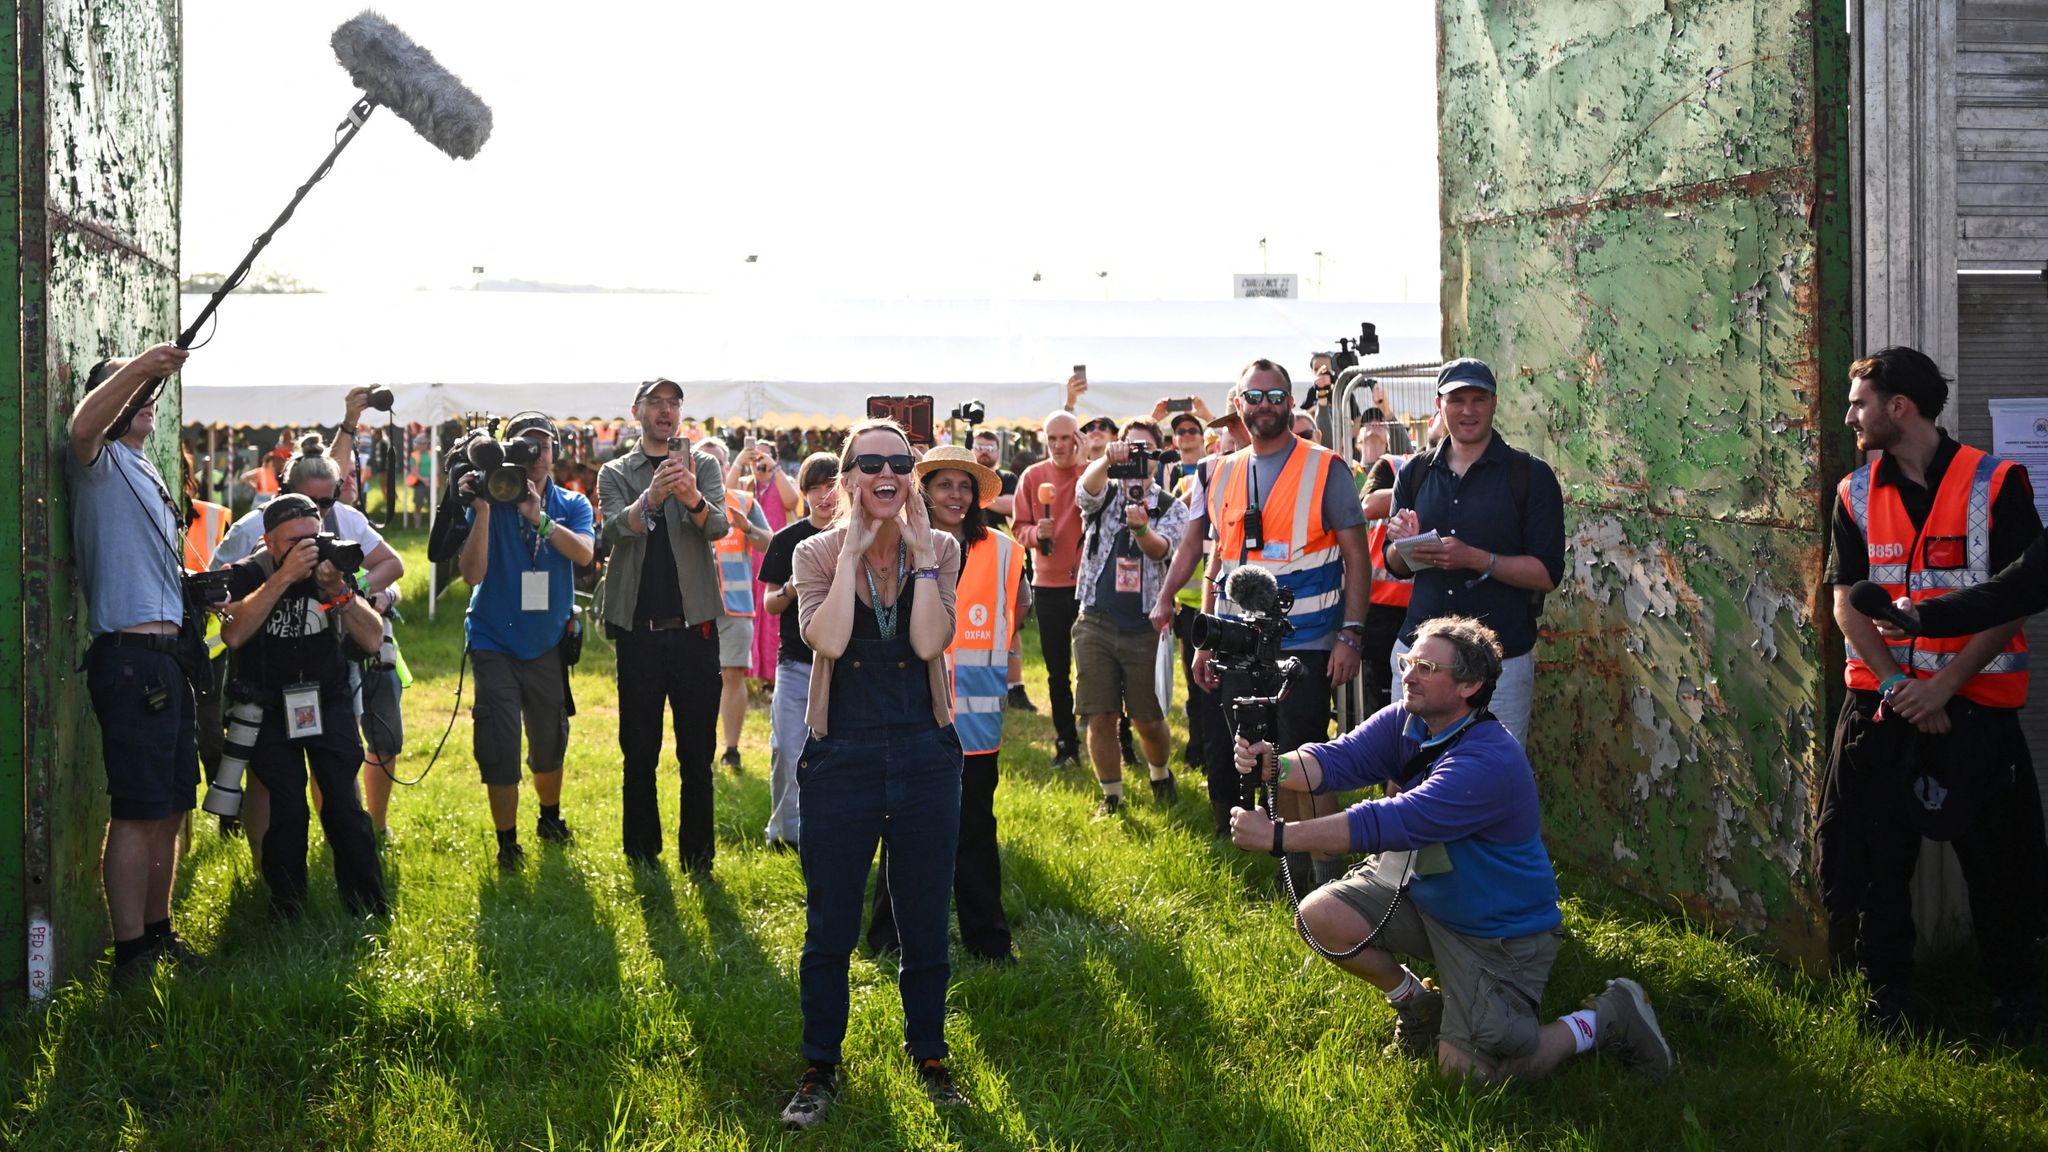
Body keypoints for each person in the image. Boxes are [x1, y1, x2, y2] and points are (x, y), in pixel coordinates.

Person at [1229, 615, 1672, 1082]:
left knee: (1469, 1077)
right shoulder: (1408, 719)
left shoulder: (1487, 761)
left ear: (1470, 685)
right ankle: (1419, 1006)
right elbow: (1339, 759)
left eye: (1426, 667)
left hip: (1496, 932)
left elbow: (1387, 823)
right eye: (1408, 661)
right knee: (1319, 917)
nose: (1408, 673)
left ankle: (1606, 1017)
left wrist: (1278, 836)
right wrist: (1275, 767)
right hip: (1427, 899)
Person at [1818, 346, 2044, 1036]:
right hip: (1883, 710)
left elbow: (2016, 597)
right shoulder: (1854, 493)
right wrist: (1897, 685)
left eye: (1859, 402)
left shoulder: (1997, 482)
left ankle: (2016, 1006)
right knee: (1879, 861)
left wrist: (1943, 687)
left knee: (1999, 865)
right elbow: (1844, 603)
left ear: (1899, 408)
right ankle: (1885, 1003)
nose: (1850, 415)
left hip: (1973, 710)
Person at [780, 418, 967, 1128]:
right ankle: (819, 1066)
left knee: (923, 919)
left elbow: (927, 642)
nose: (885, 474)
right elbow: (823, 640)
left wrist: (917, 559)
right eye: (870, 463)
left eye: (899, 463)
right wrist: (856, 550)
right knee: (830, 923)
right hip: (843, 756)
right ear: (849, 477)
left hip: (924, 752)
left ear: (910, 475)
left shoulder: (942, 548)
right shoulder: (815, 552)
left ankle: (930, 1055)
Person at [1191, 360, 1373, 887]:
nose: (1265, 405)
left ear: (1291, 403)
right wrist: (1206, 638)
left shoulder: (1325, 466)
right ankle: (1294, 875)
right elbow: (1218, 561)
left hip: (1306, 645)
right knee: (1261, 761)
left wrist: (1351, 634)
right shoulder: (1222, 469)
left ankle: (1331, 877)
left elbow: (1357, 557)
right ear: (1238, 403)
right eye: (1254, 395)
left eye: (1276, 396)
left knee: (1305, 764)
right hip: (1236, 645)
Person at [67, 344, 203, 982]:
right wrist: (142, 368)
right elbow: (83, 427)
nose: (146, 401)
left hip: (167, 658)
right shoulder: (99, 460)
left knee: (173, 804)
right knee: (137, 809)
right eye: (131, 393)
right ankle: (129, 955)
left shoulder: (147, 469)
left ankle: (157, 932)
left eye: (148, 393)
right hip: (128, 660)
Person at [867, 445, 1023, 963]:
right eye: (944, 486)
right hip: (913, 713)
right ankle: (889, 939)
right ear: (925, 493)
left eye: (964, 487)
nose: (955, 496)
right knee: (903, 828)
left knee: (975, 830)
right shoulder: (900, 545)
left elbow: (1015, 612)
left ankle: (988, 942)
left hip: (975, 725)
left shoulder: (1004, 551)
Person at [217, 495, 389, 919]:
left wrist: (339, 591)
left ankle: (368, 905)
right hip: (268, 706)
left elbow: (371, 639)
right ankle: (287, 908)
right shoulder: (247, 574)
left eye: (315, 537)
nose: (309, 548)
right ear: (269, 542)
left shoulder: (330, 568)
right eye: (296, 541)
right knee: (288, 808)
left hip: (325, 698)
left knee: (344, 806)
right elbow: (233, 636)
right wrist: (282, 579)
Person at [1382, 358, 1564, 745]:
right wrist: (1405, 544)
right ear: (1439, 405)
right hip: (1421, 657)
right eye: (1457, 399)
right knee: (1408, 771)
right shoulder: (1414, 473)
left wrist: (1475, 558)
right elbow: (1394, 565)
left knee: (1492, 782)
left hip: (1500, 661)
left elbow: (1548, 574)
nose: (1468, 410)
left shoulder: (1531, 475)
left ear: (1494, 403)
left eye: (1478, 399)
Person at [595, 379, 729, 871]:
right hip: (638, 632)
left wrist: (692, 495)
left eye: (674, 403)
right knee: (639, 752)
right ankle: (642, 857)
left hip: (695, 630)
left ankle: (698, 858)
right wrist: (651, 496)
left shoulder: (705, 465)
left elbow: (717, 527)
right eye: (657, 403)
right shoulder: (615, 472)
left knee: (697, 754)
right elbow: (611, 531)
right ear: (638, 412)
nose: (667, 411)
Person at [459, 412, 596, 871]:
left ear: (556, 452)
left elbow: (584, 555)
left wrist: (538, 519)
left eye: (544, 445)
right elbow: (471, 574)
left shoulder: (572, 503)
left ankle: (550, 818)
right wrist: (481, 510)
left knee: (549, 736)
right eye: (526, 445)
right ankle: (506, 843)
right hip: (493, 637)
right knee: (498, 740)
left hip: (547, 640)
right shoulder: (491, 499)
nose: (536, 455)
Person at [1074, 420, 1191, 816]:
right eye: (1131, 447)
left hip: (1146, 623)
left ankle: (1159, 773)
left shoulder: (1171, 506)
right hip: (1096, 617)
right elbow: (1082, 492)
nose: (1138, 457)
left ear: (1159, 457)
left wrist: (1141, 530)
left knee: (1148, 719)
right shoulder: (1105, 492)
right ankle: (1112, 796)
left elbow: (1162, 551)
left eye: (1146, 450)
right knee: (1100, 714)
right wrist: (1107, 460)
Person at [757, 453, 841, 853]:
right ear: (803, 493)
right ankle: (785, 833)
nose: (824, 497)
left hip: (845, 664)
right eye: (815, 489)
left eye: (831, 487)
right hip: (795, 661)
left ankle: (830, 831)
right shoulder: (787, 539)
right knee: (789, 749)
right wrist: (792, 586)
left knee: (840, 756)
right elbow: (769, 604)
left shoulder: (856, 536)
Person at [1016, 409, 1087, 768]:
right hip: (1048, 586)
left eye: (1066, 437)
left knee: (1098, 669)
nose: (1060, 445)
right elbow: (1018, 527)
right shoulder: (1033, 476)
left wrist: (1089, 463)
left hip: (1088, 586)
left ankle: (1119, 738)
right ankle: (1067, 743)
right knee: (1057, 671)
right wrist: (1034, 534)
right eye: (1053, 438)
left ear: (1078, 438)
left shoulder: (1090, 474)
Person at [698, 438, 774, 773]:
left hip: (735, 604)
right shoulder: (681, 503)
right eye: (706, 462)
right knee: (696, 679)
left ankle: (731, 749)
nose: (713, 468)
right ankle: (699, 746)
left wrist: (749, 527)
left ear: (728, 467)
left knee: (732, 673)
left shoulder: (743, 501)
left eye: (719, 462)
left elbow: (770, 543)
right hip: (694, 605)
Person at [974, 428, 1037, 714]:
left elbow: (1014, 505)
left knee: (1010, 624)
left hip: (1003, 562)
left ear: (999, 451)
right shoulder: (966, 476)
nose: (984, 451)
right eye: (979, 446)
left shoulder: (1009, 479)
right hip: (969, 561)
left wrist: (976, 497)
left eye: (990, 447)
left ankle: (1015, 687)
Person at [735, 436, 800, 686]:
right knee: (750, 614)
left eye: (764, 455)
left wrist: (775, 468)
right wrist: (740, 462)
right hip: (746, 558)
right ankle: (748, 672)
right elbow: (727, 494)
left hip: (774, 557)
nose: (758, 460)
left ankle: (771, 677)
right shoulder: (745, 483)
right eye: (754, 454)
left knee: (771, 617)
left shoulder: (783, 481)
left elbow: (792, 502)